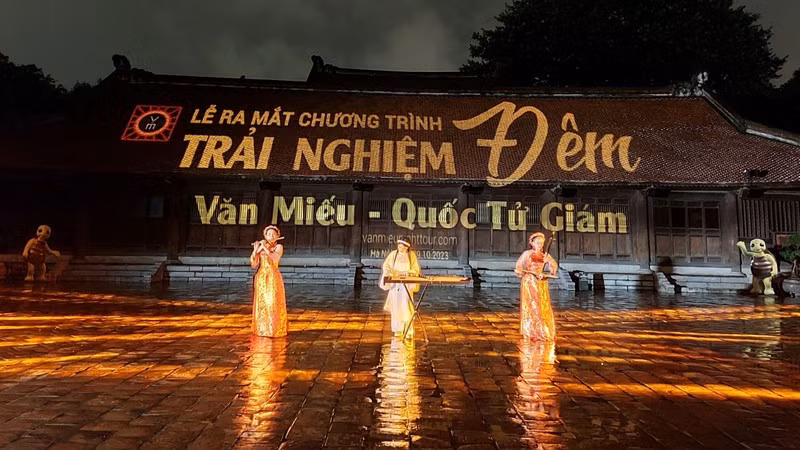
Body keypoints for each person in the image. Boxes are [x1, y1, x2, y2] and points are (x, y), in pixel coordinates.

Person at [514, 232, 558, 341]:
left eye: (541, 243)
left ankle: (542, 329)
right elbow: (519, 264)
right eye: (538, 242)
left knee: (542, 306)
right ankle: (531, 330)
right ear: (532, 243)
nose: (540, 245)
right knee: (531, 305)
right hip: (529, 281)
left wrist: (550, 264)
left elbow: (554, 267)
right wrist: (519, 271)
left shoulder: (545, 256)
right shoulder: (527, 253)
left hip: (541, 282)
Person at [250, 225, 288, 337]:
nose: (271, 236)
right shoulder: (262, 246)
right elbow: (254, 264)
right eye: (268, 234)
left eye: (273, 234)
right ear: (265, 236)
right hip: (261, 276)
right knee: (262, 303)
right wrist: (255, 250)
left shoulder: (279, 247)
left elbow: (275, 258)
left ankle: (274, 329)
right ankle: (261, 329)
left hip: (273, 276)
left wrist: (264, 247)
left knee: (272, 302)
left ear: (277, 236)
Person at [379, 238, 421, 338]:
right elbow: (386, 266)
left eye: (403, 247)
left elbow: (415, 269)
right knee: (396, 306)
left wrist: (409, 272)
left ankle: (408, 329)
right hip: (395, 284)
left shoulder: (411, 255)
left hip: (406, 284)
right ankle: (397, 329)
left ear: (407, 247)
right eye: (399, 246)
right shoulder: (393, 254)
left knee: (407, 306)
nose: (401, 249)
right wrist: (390, 273)